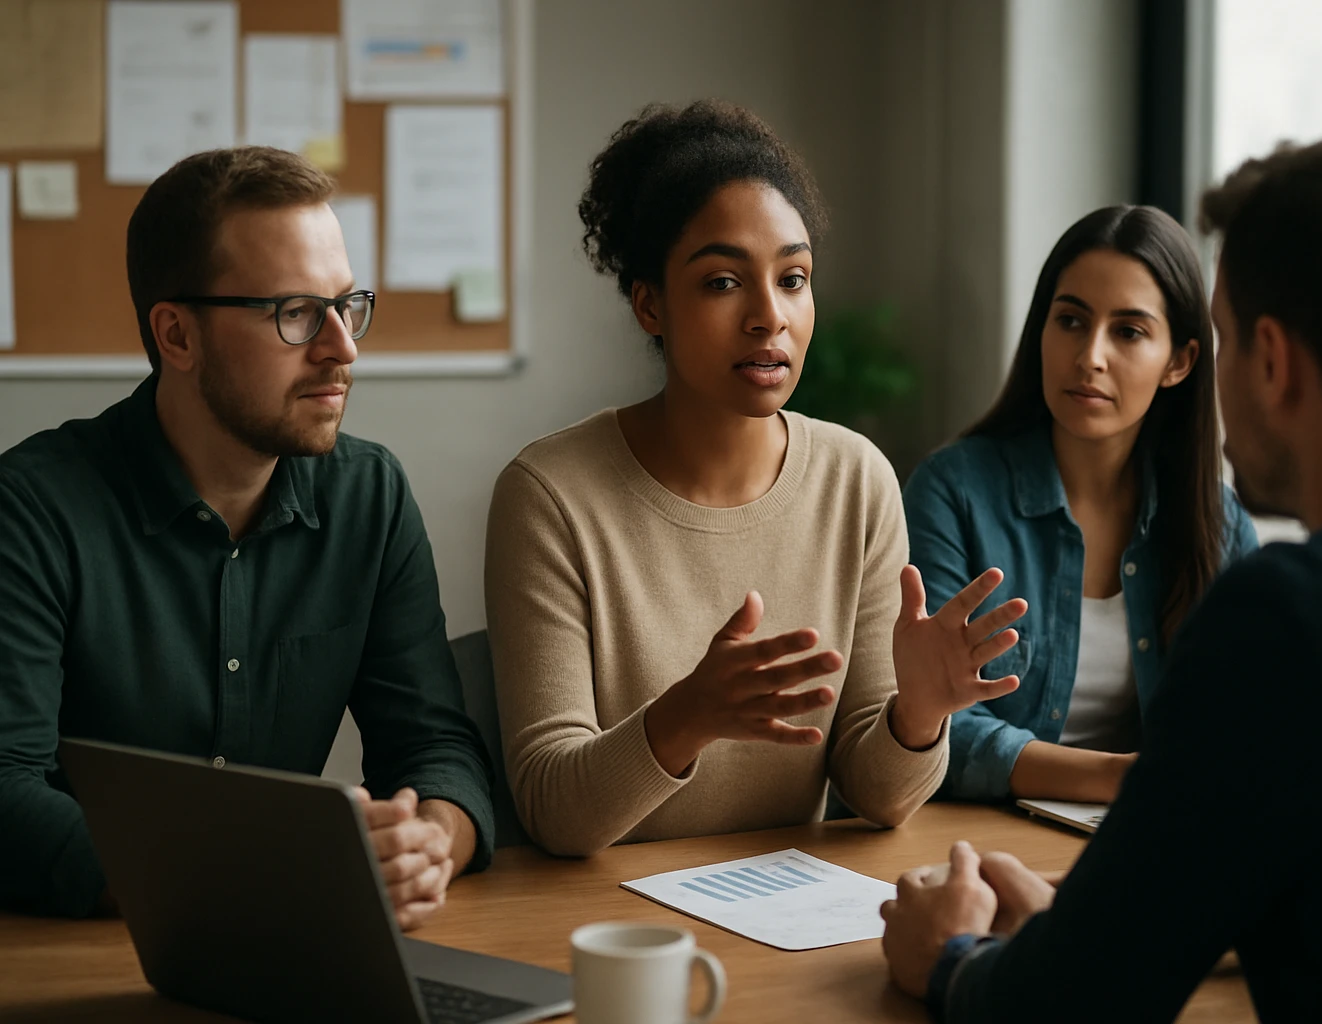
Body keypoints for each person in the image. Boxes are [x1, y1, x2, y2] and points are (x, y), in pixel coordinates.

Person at [879, 137, 1322, 1021]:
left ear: (1273, 360)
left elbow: (1062, 1008)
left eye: (1216, 342)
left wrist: (950, 956)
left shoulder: (1288, 620)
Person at [485, 101, 1023, 856]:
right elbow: (553, 809)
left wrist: (919, 716)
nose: (770, 316)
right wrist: (689, 715)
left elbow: (879, 798)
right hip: (610, 935)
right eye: (721, 283)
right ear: (650, 303)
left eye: (794, 278)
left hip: (777, 916)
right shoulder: (550, 495)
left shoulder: (855, 478)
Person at [0, 148, 494, 929]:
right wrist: (260, 877)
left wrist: (426, 846)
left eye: (347, 304)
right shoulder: (32, 508)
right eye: (295, 313)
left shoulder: (370, 496)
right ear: (177, 336)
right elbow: (6, 794)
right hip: (83, 954)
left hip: (296, 950)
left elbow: (436, 748)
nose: (343, 347)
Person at [905, 205, 1257, 806]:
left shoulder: (1216, 526)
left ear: (1180, 361)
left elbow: (1246, 726)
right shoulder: (953, 491)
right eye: (1070, 320)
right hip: (968, 839)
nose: (1090, 355)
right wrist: (1117, 779)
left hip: (1138, 841)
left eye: (1129, 331)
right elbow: (924, 722)